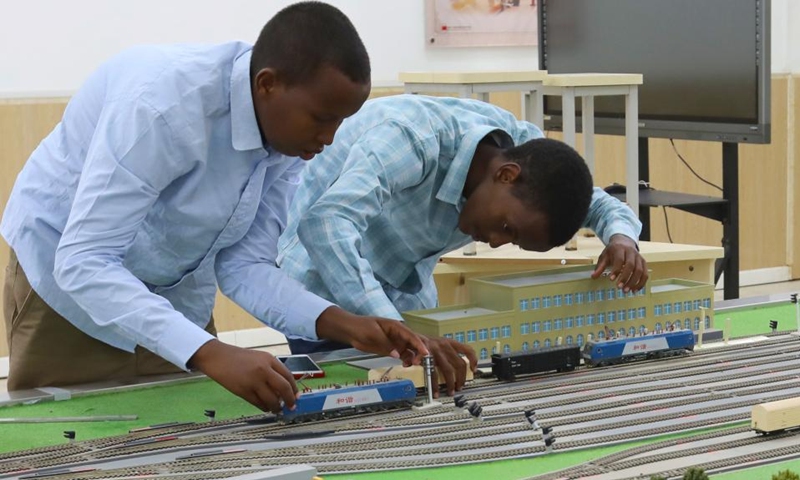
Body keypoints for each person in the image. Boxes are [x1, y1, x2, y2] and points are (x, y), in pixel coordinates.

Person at [1, 2, 433, 414]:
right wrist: (207, 351)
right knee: (72, 440)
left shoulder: (289, 138)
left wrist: (344, 323)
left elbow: (244, 265)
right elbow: (84, 261)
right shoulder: (160, 107)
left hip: (174, 290)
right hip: (67, 286)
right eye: (322, 118)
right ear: (267, 85)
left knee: (191, 434)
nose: (330, 138)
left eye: (340, 121)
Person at [277, 94, 649, 368]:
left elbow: (595, 202)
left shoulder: (529, 159)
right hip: (323, 280)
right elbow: (326, 224)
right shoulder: (411, 140)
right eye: (507, 228)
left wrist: (621, 237)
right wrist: (400, 333)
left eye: (513, 241)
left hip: (398, 287)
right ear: (506, 176)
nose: (498, 242)